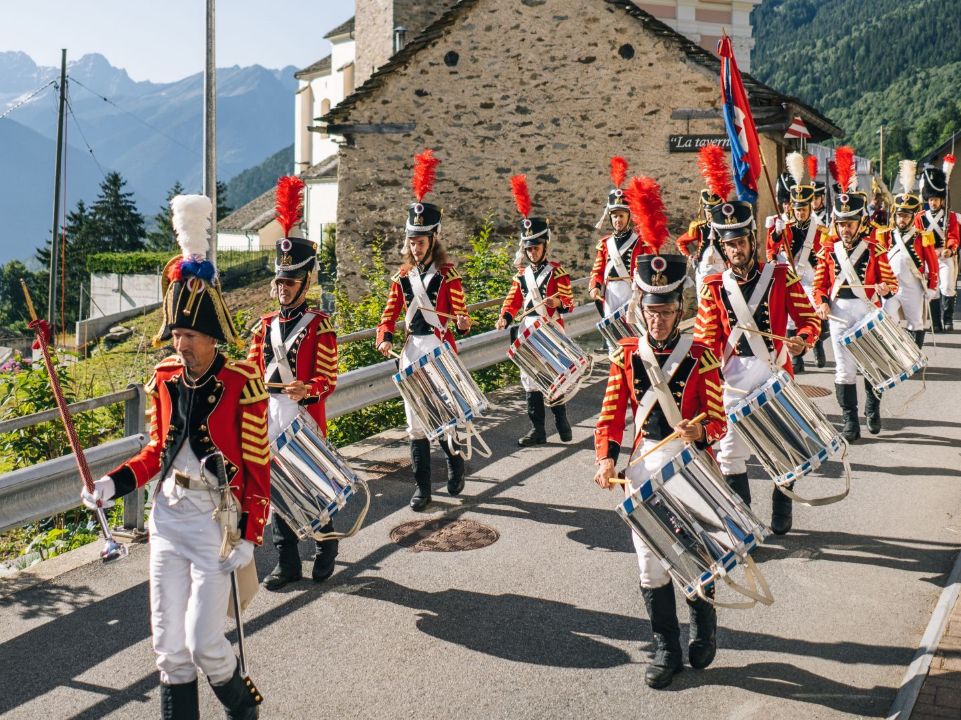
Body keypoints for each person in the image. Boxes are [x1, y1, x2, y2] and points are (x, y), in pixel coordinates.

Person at [81, 195, 268, 720]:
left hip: (217, 525)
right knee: (169, 650)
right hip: (167, 520)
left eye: (188, 335)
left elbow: (257, 467)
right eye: (176, 335)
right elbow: (151, 453)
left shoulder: (241, 382)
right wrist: (111, 486)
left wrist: (250, 535)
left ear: (211, 336)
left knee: (206, 643)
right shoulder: (164, 378)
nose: (179, 344)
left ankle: (243, 711)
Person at [593, 250, 727, 690]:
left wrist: (700, 427)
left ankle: (703, 625)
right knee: (650, 564)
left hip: (690, 465)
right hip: (643, 467)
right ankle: (666, 645)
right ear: (640, 310)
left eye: (667, 312)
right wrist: (605, 457)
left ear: (679, 310)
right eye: (651, 313)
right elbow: (612, 415)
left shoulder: (701, 354)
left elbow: (718, 416)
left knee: (693, 553)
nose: (658, 321)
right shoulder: (626, 355)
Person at [693, 197, 821, 535]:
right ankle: (742, 519)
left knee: (783, 450)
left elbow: (809, 320)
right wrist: (704, 374)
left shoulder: (780, 275)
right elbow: (705, 340)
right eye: (729, 244)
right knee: (730, 453)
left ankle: (782, 505)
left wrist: (803, 338)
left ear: (752, 239)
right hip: (733, 380)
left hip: (774, 373)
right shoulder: (714, 288)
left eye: (740, 242)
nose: (735, 249)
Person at [247, 176, 340, 590]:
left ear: (305, 282)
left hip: (303, 417)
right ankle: (286, 564)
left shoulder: (319, 326)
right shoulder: (262, 327)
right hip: (269, 416)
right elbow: (252, 373)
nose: (282, 289)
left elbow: (329, 377)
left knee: (313, 487)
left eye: (290, 282)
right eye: (279, 282)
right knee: (278, 490)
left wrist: (310, 388)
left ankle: (326, 548)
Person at [376, 150, 471, 511]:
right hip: (411, 351)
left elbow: (460, 315)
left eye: (421, 240)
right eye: (411, 241)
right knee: (415, 422)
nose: (415, 247)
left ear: (433, 238)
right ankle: (423, 490)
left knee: (446, 417)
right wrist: (384, 337)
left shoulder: (449, 276)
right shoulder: (401, 278)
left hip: (441, 350)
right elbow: (388, 315)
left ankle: (455, 463)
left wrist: (462, 323)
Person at [814, 151, 897, 440]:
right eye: (841, 223)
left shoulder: (875, 248)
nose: (845, 229)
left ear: (861, 222)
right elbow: (819, 285)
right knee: (844, 369)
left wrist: (886, 289)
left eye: (850, 223)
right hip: (838, 313)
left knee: (873, 366)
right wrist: (822, 303)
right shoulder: (827, 251)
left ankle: (872, 410)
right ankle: (851, 422)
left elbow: (891, 282)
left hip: (867, 311)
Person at [496, 174, 575, 445]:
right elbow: (513, 299)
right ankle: (537, 430)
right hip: (528, 329)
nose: (531, 253)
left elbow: (570, 302)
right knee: (529, 378)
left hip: (551, 328)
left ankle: (562, 422)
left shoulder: (557, 271)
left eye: (536, 248)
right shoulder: (521, 274)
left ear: (545, 246)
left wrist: (558, 304)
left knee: (554, 375)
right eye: (528, 249)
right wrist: (505, 316)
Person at [765, 152, 831, 372]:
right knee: (791, 320)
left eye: (803, 209)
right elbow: (770, 249)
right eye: (797, 209)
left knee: (812, 314)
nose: (800, 213)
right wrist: (776, 235)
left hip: (811, 278)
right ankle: (797, 359)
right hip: (791, 277)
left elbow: (826, 257)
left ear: (809, 209)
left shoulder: (820, 230)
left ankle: (818, 344)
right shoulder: (785, 227)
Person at [880, 161, 939, 348]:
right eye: (899, 215)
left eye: (906, 216)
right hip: (890, 286)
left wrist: (931, 286)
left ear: (912, 217)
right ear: (895, 216)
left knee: (916, 322)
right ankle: (894, 352)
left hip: (912, 285)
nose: (902, 219)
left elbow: (933, 263)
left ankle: (915, 354)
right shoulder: (885, 234)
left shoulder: (923, 236)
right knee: (886, 319)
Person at [589, 156, 652, 324]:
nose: (618, 220)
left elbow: (647, 269)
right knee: (612, 331)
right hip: (610, 291)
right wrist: (595, 286)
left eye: (622, 216)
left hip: (631, 289)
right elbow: (598, 269)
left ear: (629, 217)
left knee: (633, 330)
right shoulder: (604, 243)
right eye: (615, 216)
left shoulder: (640, 241)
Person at [677, 144, 730, 295]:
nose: (710, 214)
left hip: (723, 268)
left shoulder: (727, 227)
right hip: (704, 268)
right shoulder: (699, 227)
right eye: (708, 211)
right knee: (703, 300)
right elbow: (681, 242)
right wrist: (690, 256)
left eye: (713, 211)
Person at [916, 159, 959, 332]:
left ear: (942, 200)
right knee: (932, 289)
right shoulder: (920, 217)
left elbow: (954, 235)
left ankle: (947, 320)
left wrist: (950, 248)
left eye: (936, 199)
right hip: (928, 257)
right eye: (931, 199)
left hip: (944, 255)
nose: (933, 202)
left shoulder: (951, 217)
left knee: (947, 286)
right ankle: (935, 323)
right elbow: (917, 238)